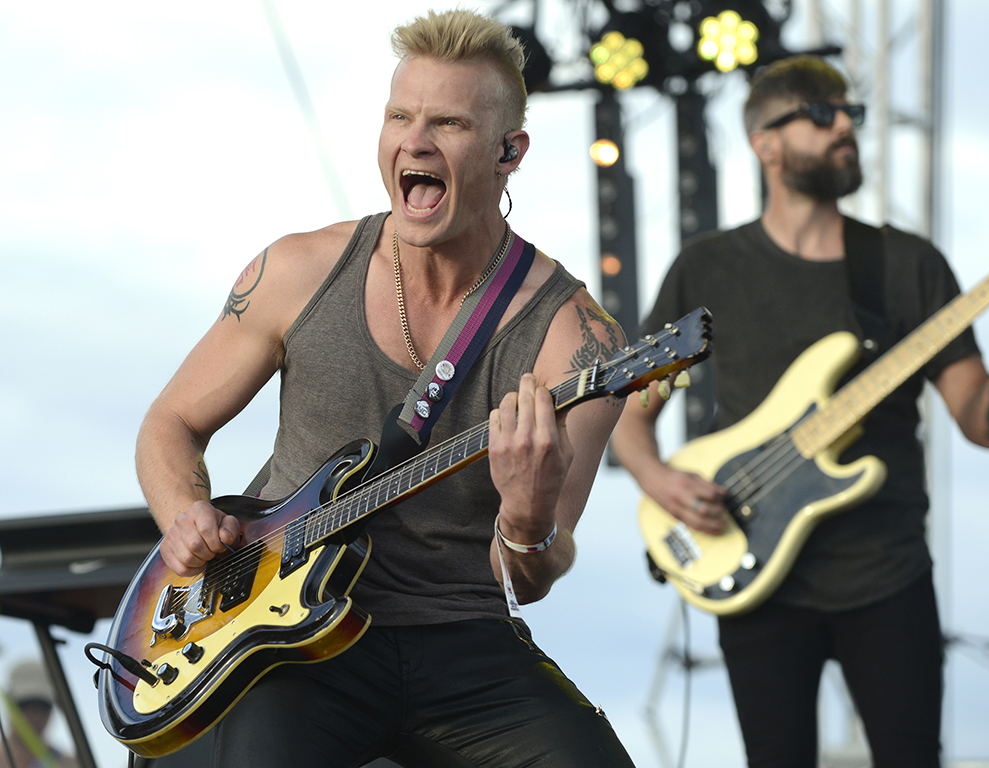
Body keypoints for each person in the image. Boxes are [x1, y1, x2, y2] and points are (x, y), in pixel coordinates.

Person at [135, 8, 635, 768]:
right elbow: (169, 421)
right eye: (399, 115)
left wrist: (529, 519)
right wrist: (183, 516)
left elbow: (527, 578)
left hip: (461, 638)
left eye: (449, 123)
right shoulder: (298, 270)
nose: (416, 140)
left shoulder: (577, 339)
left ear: (510, 152)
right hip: (291, 638)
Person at [611, 54, 989, 768]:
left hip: (887, 574)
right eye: (824, 113)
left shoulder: (908, 264)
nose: (847, 129)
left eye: (852, 115)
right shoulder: (708, 267)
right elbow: (626, 412)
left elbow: (982, 424)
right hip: (752, 577)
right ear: (765, 143)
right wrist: (659, 480)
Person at [0, 660, 77, 768]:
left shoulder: (70, 764)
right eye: (25, 706)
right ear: (10, 706)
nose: (35, 717)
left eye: (43, 707)